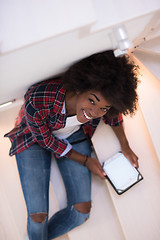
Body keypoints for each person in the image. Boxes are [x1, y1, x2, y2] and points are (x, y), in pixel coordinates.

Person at [5, 50, 139, 240]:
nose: (94, 112)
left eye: (103, 108)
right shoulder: (39, 97)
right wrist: (85, 161)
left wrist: (125, 146)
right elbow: (46, 141)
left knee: (82, 211)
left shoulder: (102, 109)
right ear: (78, 88)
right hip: (32, 139)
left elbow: (114, 116)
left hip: (73, 137)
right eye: (92, 101)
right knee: (37, 217)